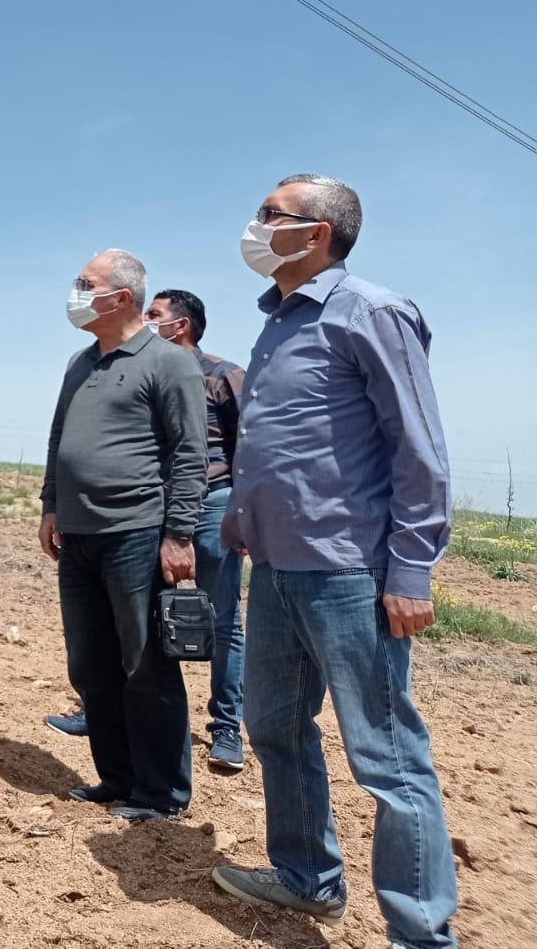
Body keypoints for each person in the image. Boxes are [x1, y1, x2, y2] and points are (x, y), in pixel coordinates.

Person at [211, 174, 459, 948]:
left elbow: (418, 450)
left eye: (269, 214)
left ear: (316, 232)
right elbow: (285, 442)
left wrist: (412, 569)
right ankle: (306, 878)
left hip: (351, 574)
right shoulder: (277, 322)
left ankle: (419, 933)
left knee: (387, 758)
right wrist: (240, 516)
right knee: (275, 727)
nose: (254, 226)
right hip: (277, 570)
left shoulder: (372, 312)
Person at [39, 249, 207, 822]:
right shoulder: (79, 363)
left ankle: (161, 793)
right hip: (78, 535)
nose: (76, 292)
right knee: (91, 663)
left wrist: (179, 533)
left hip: (137, 531)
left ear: (122, 298)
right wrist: (50, 505)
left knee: (145, 664)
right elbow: (59, 437)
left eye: (86, 283)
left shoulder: (169, 363)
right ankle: (117, 778)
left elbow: (190, 453)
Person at [145, 288, 247, 772]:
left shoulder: (222, 374)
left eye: (154, 315)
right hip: (150, 510)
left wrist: (245, 512)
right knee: (137, 615)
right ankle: (118, 710)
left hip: (213, 506)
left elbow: (249, 445)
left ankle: (226, 726)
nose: (146, 322)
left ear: (180, 325)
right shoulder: (146, 372)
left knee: (222, 618)